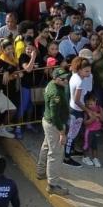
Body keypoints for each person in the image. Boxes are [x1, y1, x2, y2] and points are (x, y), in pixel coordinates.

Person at [37, 67, 71, 196]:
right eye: (62, 79)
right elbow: (55, 116)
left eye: (66, 78)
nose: (66, 81)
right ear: (55, 79)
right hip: (54, 124)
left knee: (46, 146)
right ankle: (52, 184)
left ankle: (41, 171)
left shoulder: (52, 85)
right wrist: (62, 132)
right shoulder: (55, 94)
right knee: (55, 153)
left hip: (48, 122)